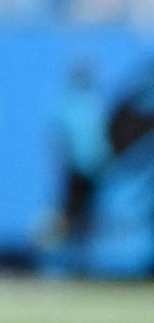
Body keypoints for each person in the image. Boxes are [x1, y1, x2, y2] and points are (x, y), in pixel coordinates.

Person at [48, 62, 110, 273]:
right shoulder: (91, 104)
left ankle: (74, 262)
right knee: (74, 218)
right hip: (85, 170)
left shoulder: (81, 104)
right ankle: (66, 262)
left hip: (82, 170)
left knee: (75, 217)